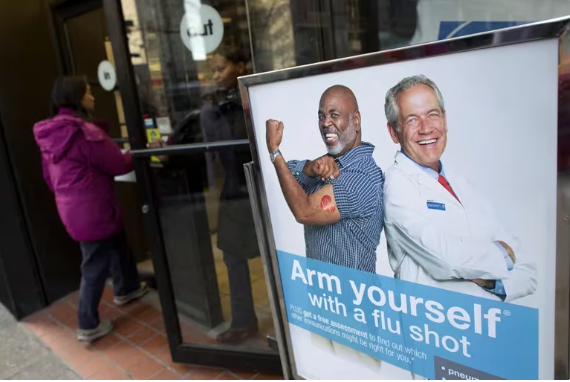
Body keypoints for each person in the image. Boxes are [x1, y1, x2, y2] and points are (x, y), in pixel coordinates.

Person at [382, 74, 536, 302]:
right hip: (435, 328)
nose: (426, 128)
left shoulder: (461, 183)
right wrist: (502, 256)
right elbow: (448, 261)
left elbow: (528, 273)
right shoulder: (396, 186)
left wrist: (491, 281)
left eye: (432, 115)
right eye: (412, 120)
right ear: (394, 132)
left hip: (484, 326)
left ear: (444, 120)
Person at [151, 44, 261, 343]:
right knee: (232, 255)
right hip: (236, 192)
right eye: (212, 69)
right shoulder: (213, 108)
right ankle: (244, 322)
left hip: (266, 188)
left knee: (281, 254)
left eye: (220, 68)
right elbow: (205, 153)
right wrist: (170, 156)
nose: (215, 75)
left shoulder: (258, 96)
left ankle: (297, 321)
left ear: (240, 66)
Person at [33, 76, 147, 343]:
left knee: (118, 243)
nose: (93, 97)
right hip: (93, 209)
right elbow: (118, 164)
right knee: (94, 264)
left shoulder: (51, 135)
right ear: (77, 99)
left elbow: (50, 179)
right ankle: (87, 324)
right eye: (88, 93)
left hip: (72, 208)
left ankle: (127, 288)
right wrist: (139, 151)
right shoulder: (84, 133)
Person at [266, 85, 384, 273]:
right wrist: (310, 168)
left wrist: (274, 150)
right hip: (324, 296)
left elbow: (304, 211)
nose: (325, 123)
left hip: (351, 299)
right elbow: (289, 173)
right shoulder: (329, 164)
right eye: (322, 116)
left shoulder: (362, 179)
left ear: (356, 120)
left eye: (334, 115)